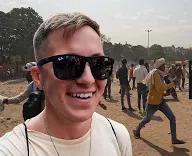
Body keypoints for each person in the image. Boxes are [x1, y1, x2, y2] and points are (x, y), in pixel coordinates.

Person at [0, 12, 132, 155]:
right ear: (38, 77)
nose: (88, 79)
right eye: (68, 64)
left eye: (99, 64)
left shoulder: (118, 136)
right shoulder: (14, 150)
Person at [133, 58, 186, 144]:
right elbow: (161, 89)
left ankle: (174, 139)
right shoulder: (156, 75)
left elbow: (161, 86)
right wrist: (172, 84)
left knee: (172, 118)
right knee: (147, 119)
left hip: (160, 101)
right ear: (160, 66)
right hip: (153, 103)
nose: (165, 66)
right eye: (163, 65)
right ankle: (137, 130)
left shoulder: (159, 74)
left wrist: (166, 80)